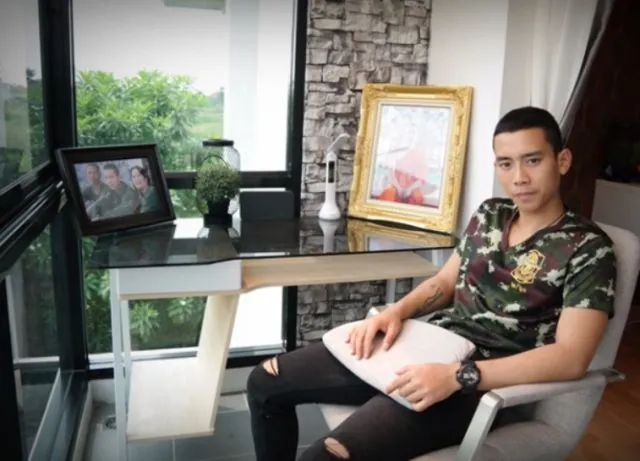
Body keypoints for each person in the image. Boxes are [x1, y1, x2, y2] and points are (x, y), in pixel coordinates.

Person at [246, 106, 617, 461]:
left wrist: (459, 376)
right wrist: (396, 312)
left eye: (532, 160)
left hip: (480, 383)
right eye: (506, 163)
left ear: (562, 161)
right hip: (431, 346)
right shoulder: (490, 213)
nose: (519, 177)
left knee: (326, 456)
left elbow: (571, 357)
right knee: (265, 381)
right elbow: (446, 281)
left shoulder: (587, 248)